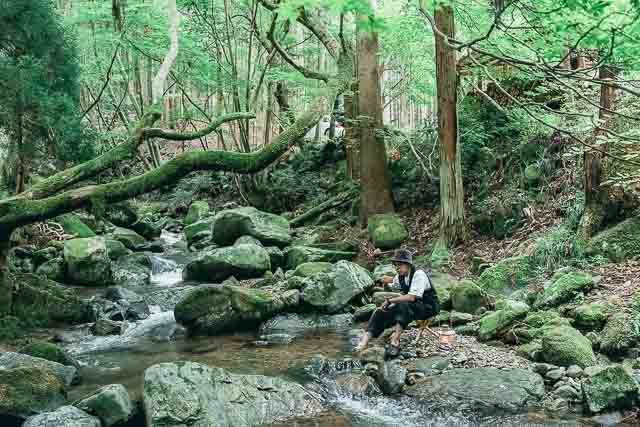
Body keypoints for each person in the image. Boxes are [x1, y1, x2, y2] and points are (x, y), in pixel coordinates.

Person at [355, 249, 439, 357]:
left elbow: (411, 297)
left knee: (403, 304)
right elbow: (392, 283)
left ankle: (395, 341)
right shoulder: (401, 276)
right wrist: (383, 282)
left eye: (399, 265)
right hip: (412, 308)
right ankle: (364, 342)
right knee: (380, 311)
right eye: (395, 265)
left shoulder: (419, 274)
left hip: (429, 308)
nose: (397, 268)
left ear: (408, 264)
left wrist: (390, 300)